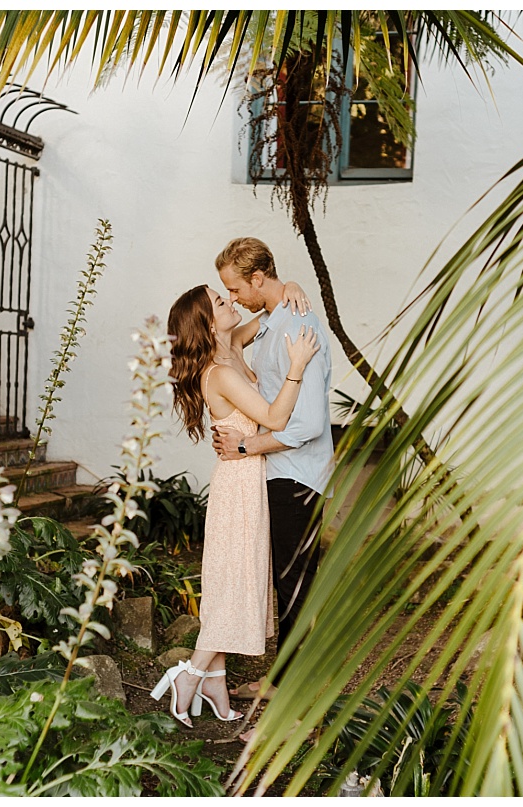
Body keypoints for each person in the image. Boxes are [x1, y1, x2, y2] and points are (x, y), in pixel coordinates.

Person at [152, 283, 318, 727]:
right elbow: (276, 419)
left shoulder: (232, 345)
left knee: (236, 578)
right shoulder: (220, 372)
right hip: (239, 486)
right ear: (208, 322)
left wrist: (291, 289)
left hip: (248, 478)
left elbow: (266, 316)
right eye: (221, 302)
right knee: (236, 582)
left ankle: (215, 683)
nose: (231, 303)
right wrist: (297, 368)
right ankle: (188, 675)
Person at [211, 237, 334, 705]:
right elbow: (229, 337)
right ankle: (281, 683)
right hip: (276, 471)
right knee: (286, 584)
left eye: (235, 288)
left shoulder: (296, 327)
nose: (235, 299)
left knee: (296, 586)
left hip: (296, 474)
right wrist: (288, 289)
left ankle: (295, 704)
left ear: (257, 278)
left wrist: (245, 445)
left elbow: (307, 424)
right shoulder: (273, 320)